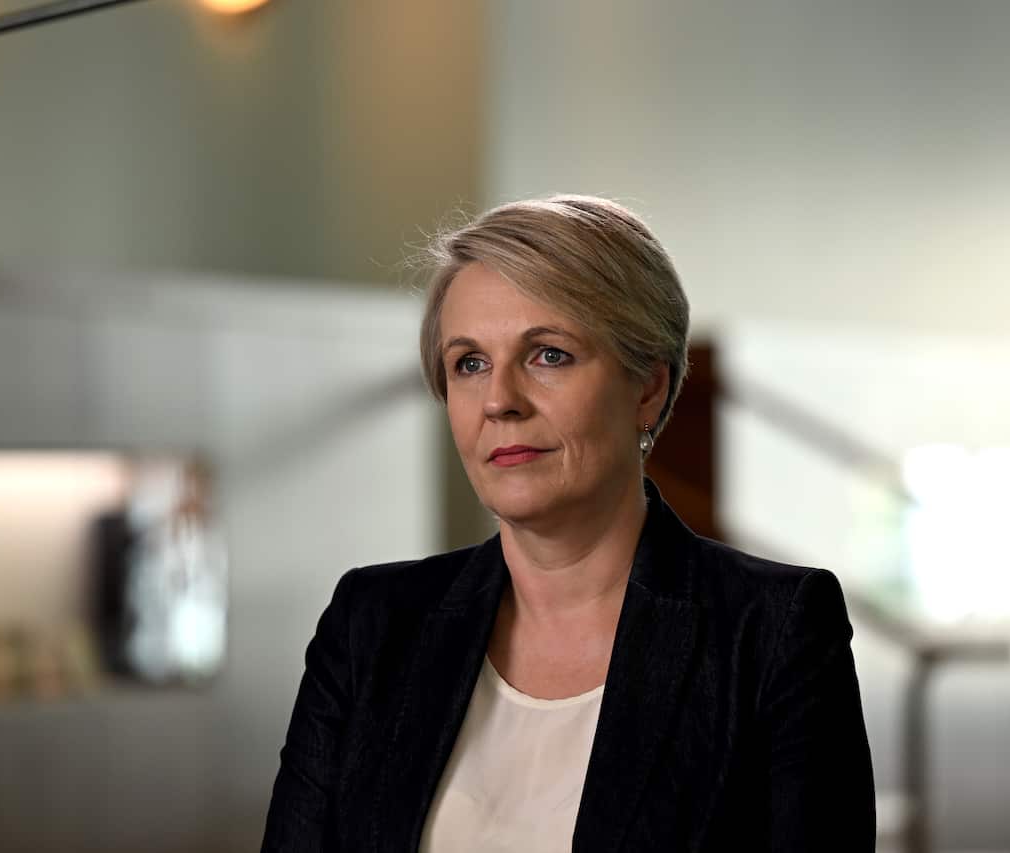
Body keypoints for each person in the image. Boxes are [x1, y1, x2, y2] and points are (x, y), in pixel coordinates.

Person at [261, 195, 875, 852]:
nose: (499, 400)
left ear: (648, 388)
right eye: (469, 362)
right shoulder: (373, 624)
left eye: (548, 354)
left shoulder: (772, 630)